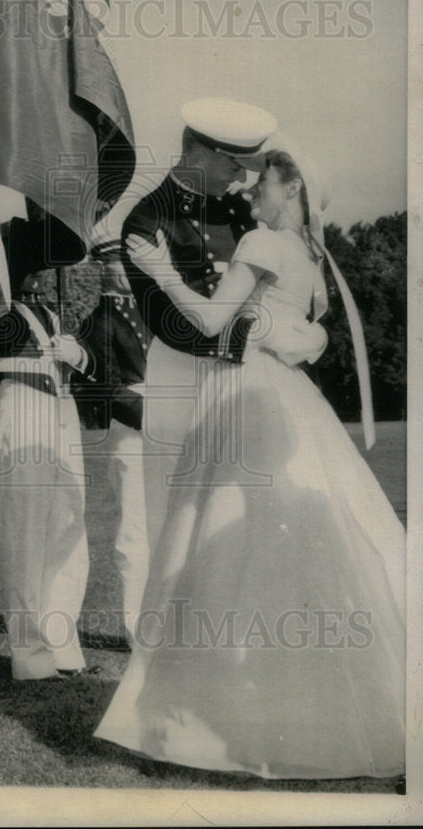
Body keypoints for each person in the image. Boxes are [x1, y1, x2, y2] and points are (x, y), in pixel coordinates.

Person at [95, 149, 405, 779]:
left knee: (218, 536)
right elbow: (305, 335)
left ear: (292, 189)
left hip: (244, 395)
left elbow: (212, 319)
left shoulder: (265, 240)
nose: (250, 190)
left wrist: (158, 271)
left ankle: (212, 713)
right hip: (284, 400)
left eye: (262, 180)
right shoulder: (314, 257)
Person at [121, 98, 278, 558]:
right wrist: (242, 336)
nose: (242, 177)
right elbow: (169, 323)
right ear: (199, 152)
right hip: (181, 371)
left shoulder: (239, 213)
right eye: (234, 163)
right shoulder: (149, 217)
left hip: (238, 369)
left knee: (236, 504)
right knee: (173, 505)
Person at [0, 208, 95, 680]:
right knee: (25, 535)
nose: (38, 270)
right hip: (23, 409)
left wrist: (77, 352)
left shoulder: (48, 308)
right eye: (27, 258)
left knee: (68, 526)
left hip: (61, 412)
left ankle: (62, 641)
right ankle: (29, 651)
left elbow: (88, 362)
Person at [74, 238, 152, 640]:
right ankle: (137, 626)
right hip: (133, 434)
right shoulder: (97, 322)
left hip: (165, 431)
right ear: (102, 266)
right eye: (119, 262)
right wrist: (159, 416)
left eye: (130, 262)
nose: (127, 270)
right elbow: (108, 391)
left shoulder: (150, 311)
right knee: (134, 529)